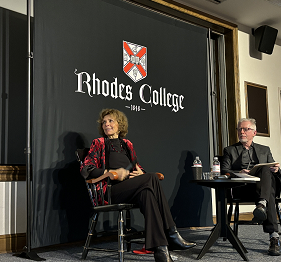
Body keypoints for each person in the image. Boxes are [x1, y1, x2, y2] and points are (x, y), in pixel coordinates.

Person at [80, 108, 196, 262]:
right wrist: (112, 172)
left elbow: (137, 167)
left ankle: (161, 250)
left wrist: (141, 173)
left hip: (131, 189)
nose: (106, 124)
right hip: (110, 191)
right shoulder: (99, 143)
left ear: (119, 124)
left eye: (110, 121)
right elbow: (86, 169)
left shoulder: (127, 144)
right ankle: (171, 232)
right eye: (104, 122)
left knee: (147, 192)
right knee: (151, 179)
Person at [221, 118, 281, 256]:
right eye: (239, 129)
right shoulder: (230, 150)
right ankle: (274, 236)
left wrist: (276, 170)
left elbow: (277, 170)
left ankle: (262, 206)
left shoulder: (264, 150)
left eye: (245, 129)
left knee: (266, 170)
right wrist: (238, 172)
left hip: (262, 189)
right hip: (242, 189)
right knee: (269, 194)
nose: (241, 132)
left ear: (254, 132)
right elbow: (223, 170)